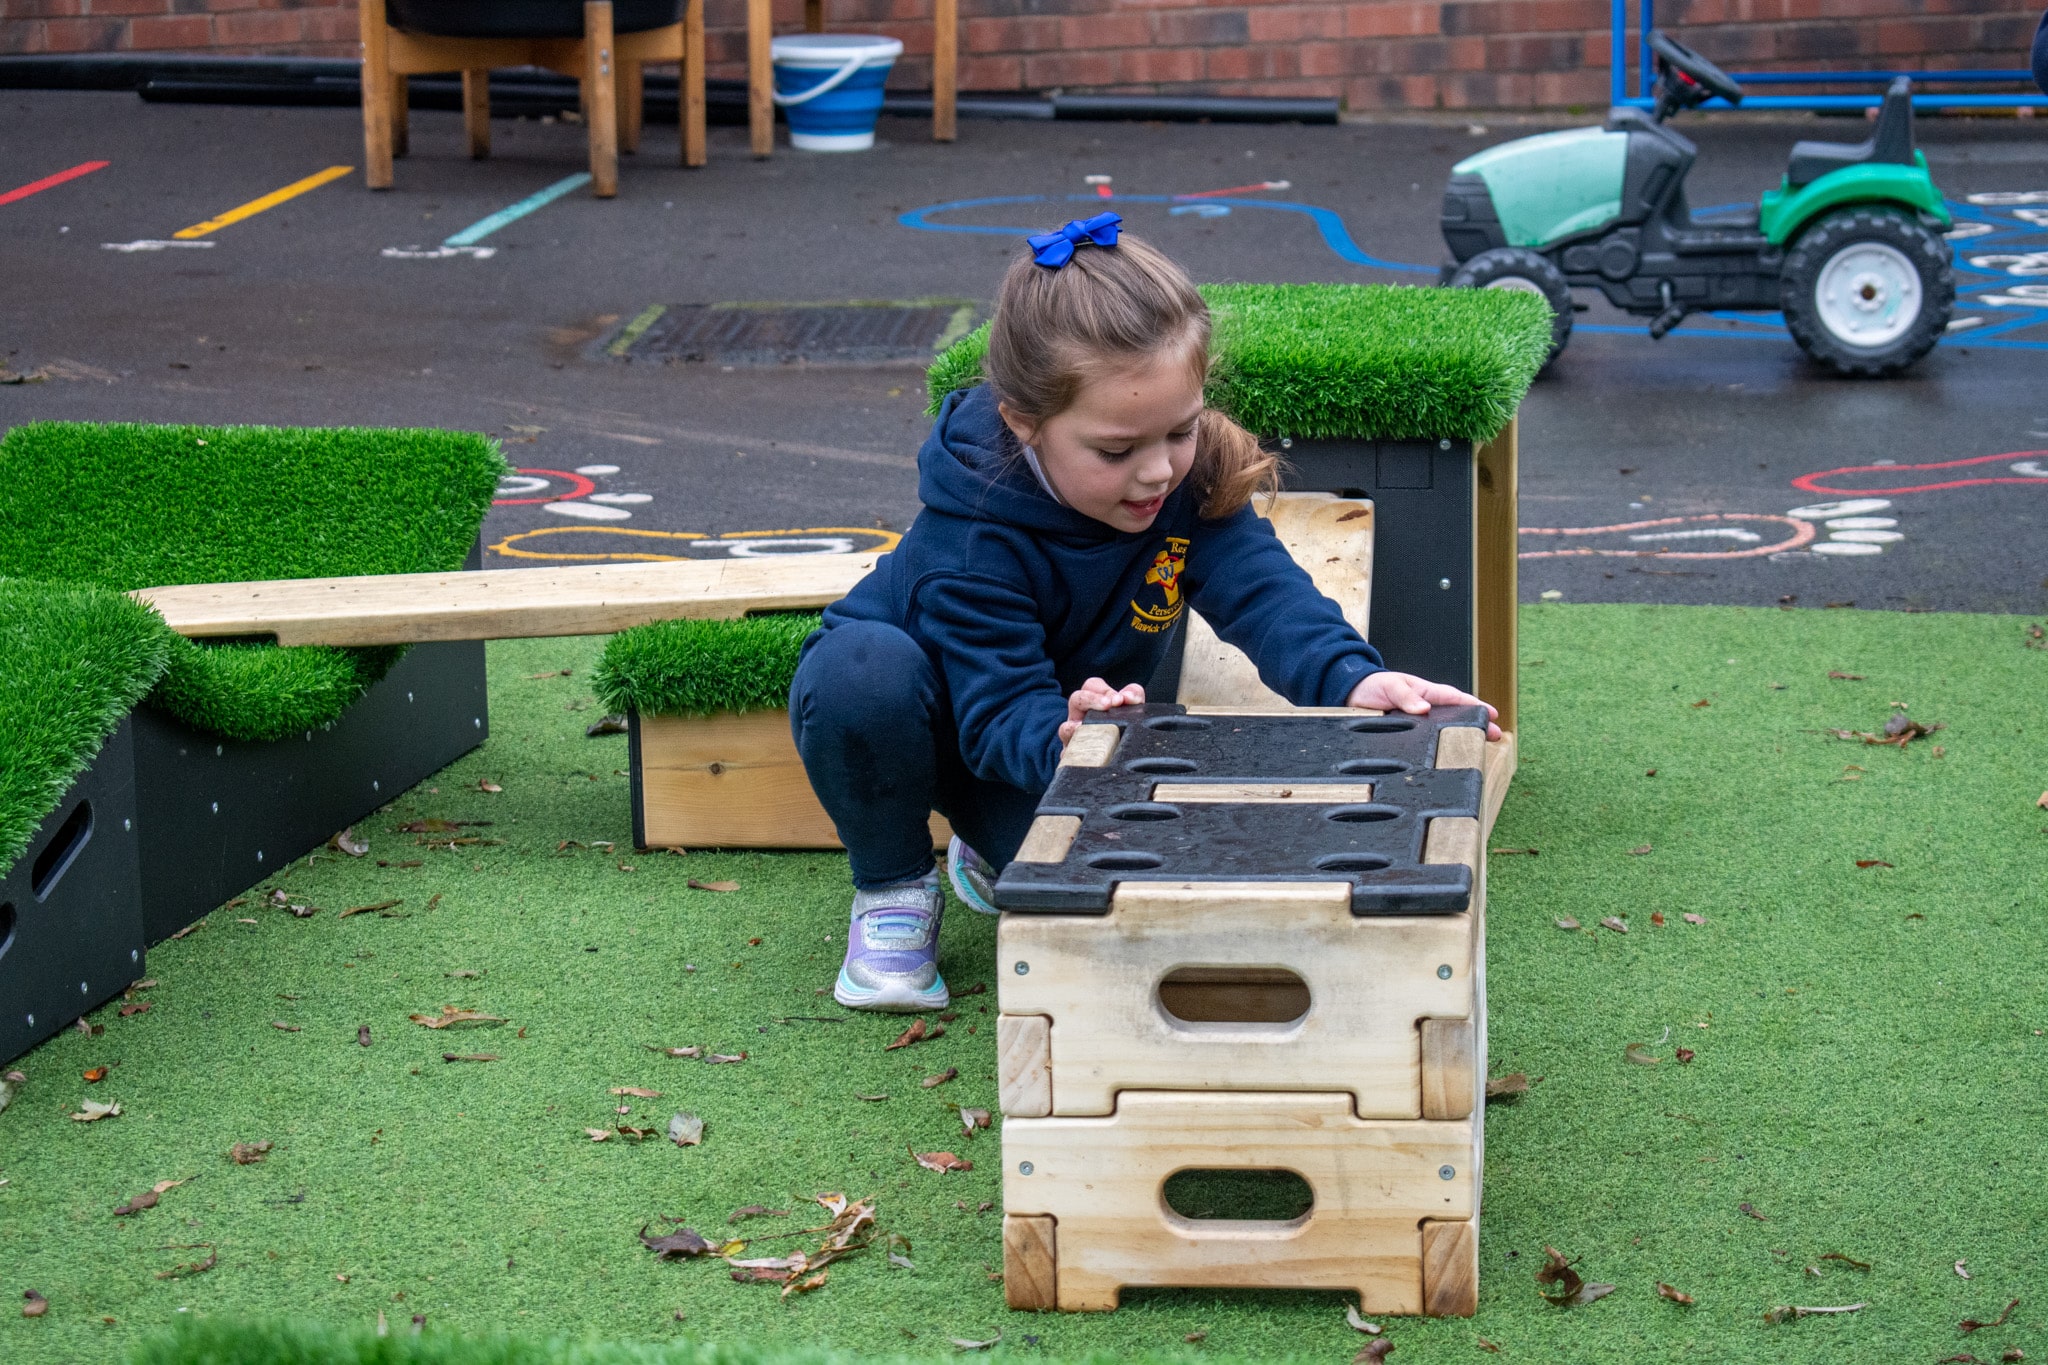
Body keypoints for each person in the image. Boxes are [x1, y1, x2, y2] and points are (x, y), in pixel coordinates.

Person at [789, 213, 1499, 1012]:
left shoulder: (1180, 482)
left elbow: (1264, 591)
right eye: (1116, 450)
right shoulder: (974, 533)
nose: (1156, 470)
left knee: (1129, 879)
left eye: (1181, 430)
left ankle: (989, 844)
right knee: (859, 677)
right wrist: (1064, 736)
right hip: (953, 715)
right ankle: (893, 884)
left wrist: (1353, 680)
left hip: (1063, 727)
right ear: (1027, 423)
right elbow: (995, 710)